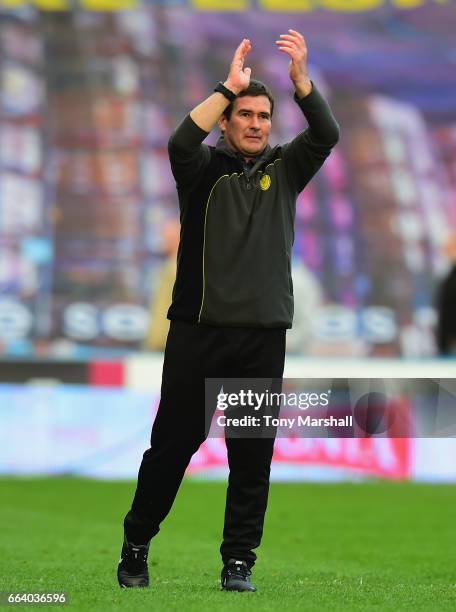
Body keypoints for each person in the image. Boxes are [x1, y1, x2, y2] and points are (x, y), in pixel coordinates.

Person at [118, 30, 339, 592]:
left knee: (250, 460)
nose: (257, 123)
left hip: (261, 338)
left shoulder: (288, 169)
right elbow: (178, 142)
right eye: (245, 114)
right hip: (198, 334)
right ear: (227, 121)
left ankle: (238, 563)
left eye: (264, 115)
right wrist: (226, 85)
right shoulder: (201, 172)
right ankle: (137, 544)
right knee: (171, 449)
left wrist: (301, 84)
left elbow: (327, 133)